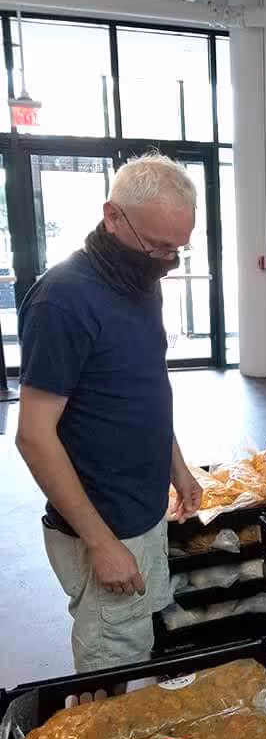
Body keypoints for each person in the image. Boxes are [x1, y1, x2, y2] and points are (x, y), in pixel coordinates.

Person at [16, 153, 203, 673]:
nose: (168, 260)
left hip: (143, 511)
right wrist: (100, 543)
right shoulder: (64, 300)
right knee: (113, 666)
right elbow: (33, 435)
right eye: (158, 246)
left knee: (142, 644)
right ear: (112, 216)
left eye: (179, 248)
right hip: (103, 525)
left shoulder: (140, 284)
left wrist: (177, 466)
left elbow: (142, 390)